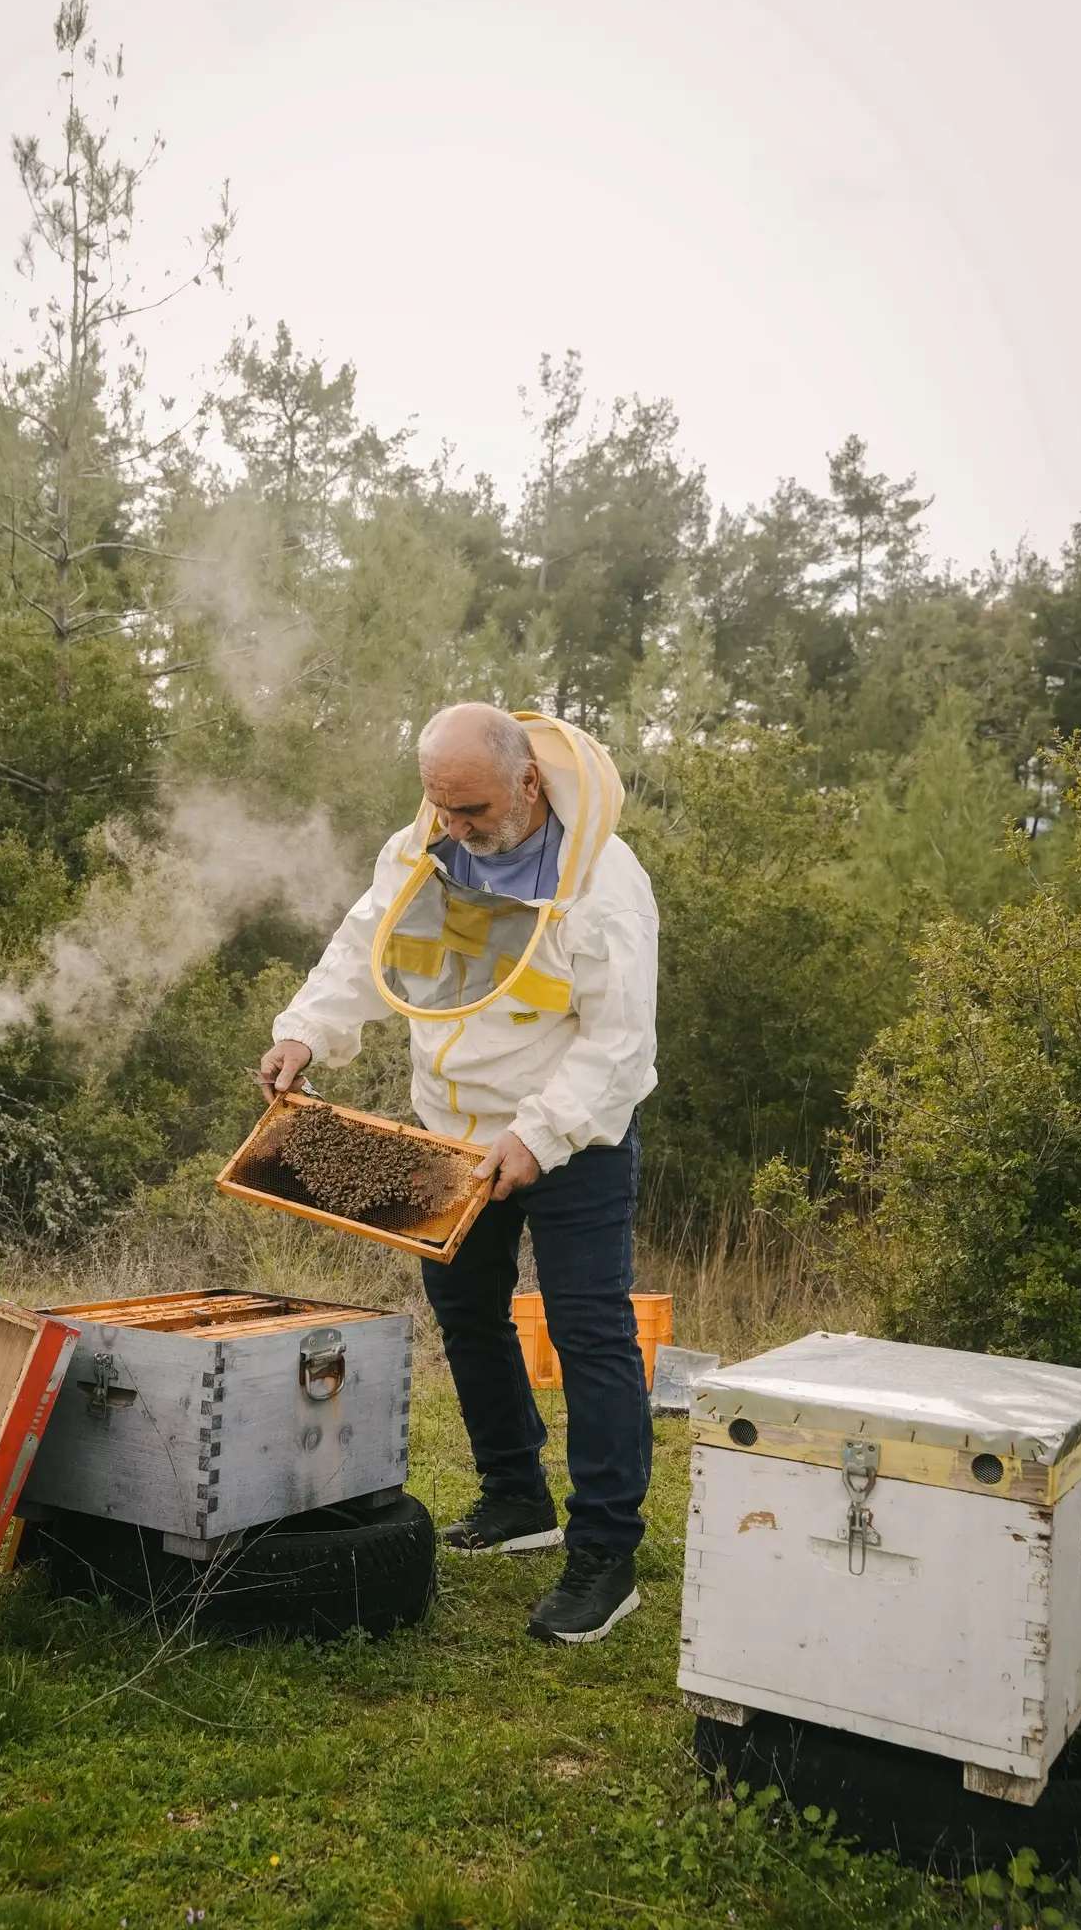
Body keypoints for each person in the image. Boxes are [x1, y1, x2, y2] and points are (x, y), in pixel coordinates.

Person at [260, 703, 659, 1645]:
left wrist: (541, 1134)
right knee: (468, 1316)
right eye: (442, 806)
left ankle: (605, 1553)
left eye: (472, 809)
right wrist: (302, 1031)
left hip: (573, 1139)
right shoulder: (422, 848)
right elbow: (363, 948)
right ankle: (517, 1497)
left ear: (527, 784)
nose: (456, 827)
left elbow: (619, 1039)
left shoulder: (600, 879)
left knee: (590, 1332)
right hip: (451, 1134)